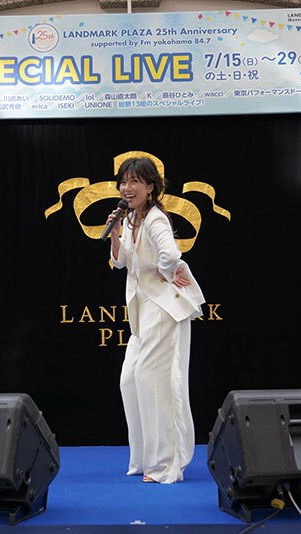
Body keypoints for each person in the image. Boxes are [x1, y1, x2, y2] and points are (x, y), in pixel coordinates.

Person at [106, 156, 205, 484]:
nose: (127, 187)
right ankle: (144, 457)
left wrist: (168, 272)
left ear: (150, 187)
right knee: (130, 380)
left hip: (162, 310)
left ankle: (163, 465)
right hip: (142, 310)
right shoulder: (131, 218)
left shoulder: (155, 219)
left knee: (153, 381)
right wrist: (115, 232)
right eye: (123, 182)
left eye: (134, 181)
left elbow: (171, 255)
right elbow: (121, 262)